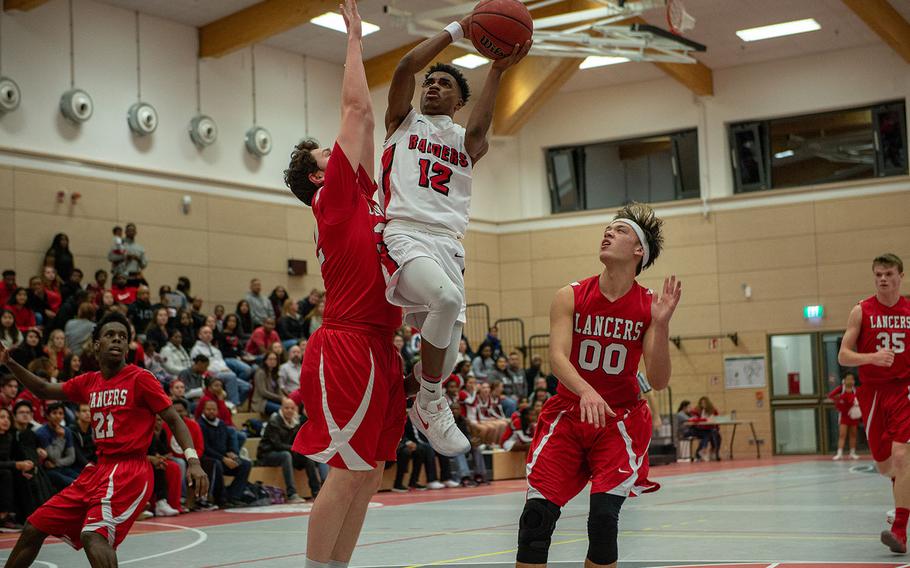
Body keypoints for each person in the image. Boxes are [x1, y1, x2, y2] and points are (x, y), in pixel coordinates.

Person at [283, 2, 407, 564]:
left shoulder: (361, 193)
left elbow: (370, 123)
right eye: (326, 155)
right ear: (317, 175)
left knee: (370, 473)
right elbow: (357, 108)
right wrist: (354, 39)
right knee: (346, 471)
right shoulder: (331, 200)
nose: (339, 154)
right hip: (347, 344)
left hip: (382, 345)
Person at [379, 8, 531, 459]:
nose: (433, 86)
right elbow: (405, 66)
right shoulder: (402, 122)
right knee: (444, 304)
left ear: (458, 100)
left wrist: (498, 70)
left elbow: (484, 126)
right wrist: (459, 30)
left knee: (444, 362)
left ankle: (410, 399)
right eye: (431, 82)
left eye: (444, 84)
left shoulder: (466, 140)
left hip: (449, 247)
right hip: (404, 234)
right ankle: (429, 403)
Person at [515, 203, 680, 568]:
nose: (608, 232)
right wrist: (586, 389)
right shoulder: (570, 295)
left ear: (639, 251)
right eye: (608, 228)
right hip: (567, 416)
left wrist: (663, 325)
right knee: (536, 521)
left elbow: (659, 380)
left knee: (603, 522)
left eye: (620, 231)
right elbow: (557, 357)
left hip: (618, 421)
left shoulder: (649, 307)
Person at [0, 311, 208, 567]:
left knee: (94, 536)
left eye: (123, 336)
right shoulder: (90, 381)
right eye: (110, 335)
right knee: (34, 526)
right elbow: (43, 389)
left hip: (130, 471)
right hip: (98, 470)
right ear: (97, 344)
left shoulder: (140, 378)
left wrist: (193, 461)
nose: (118, 340)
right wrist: (9, 362)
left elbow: (174, 419)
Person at [838, 253, 910, 554]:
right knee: (885, 466)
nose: (883, 278)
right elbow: (843, 355)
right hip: (873, 393)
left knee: (902, 455)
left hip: (904, 390)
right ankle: (903, 490)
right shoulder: (862, 310)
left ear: (900, 276)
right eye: (878, 274)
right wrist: (871, 358)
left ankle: (899, 531)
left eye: (889, 273)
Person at [257, 397, 319, 503]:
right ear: (281, 409)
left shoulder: (296, 422)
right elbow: (276, 445)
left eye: (292, 408)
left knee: (307, 456)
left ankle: (316, 492)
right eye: (286, 408)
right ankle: (292, 494)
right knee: (286, 455)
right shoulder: (274, 422)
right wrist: (295, 448)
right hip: (267, 454)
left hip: (288, 452)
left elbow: (298, 441)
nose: (289, 410)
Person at [197, 399, 251, 508]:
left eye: (214, 409)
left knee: (245, 464)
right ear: (203, 410)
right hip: (208, 460)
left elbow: (227, 441)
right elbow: (206, 448)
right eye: (208, 409)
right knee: (216, 465)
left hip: (223, 457)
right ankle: (221, 499)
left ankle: (234, 496)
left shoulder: (221, 423)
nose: (211, 412)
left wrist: (231, 453)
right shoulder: (200, 424)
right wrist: (223, 458)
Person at [191, 326, 250, 406]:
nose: (208, 335)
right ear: (199, 335)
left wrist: (226, 369)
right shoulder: (196, 349)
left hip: (223, 373)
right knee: (231, 376)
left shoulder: (216, 350)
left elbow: (222, 363)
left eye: (210, 333)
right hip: (209, 375)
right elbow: (199, 366)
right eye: (205, 333)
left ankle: (231, 406)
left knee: (247, 386)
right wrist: (220, 370)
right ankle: (233, 405)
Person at [35, 402, 80, 490]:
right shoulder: (42, 433)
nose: (58, 416)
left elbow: (71, 457)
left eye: (61, 413)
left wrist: (56, 464)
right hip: (48, 471)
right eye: (54, 413)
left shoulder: (67, 431)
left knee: (83, 480)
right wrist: (60, 438)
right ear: (47, 416)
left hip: (61, 467)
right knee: (73, 484)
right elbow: (54, 456)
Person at [827, 372, 861, 461]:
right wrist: (839, 398)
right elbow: (830, 396)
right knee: (842, 434)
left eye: (852, 379)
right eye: (848, 379)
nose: (850, 381)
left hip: (853, 415)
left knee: (853, 434)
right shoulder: (840, 389)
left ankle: (852, 452)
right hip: (844, 415)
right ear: (844, 380)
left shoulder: (856, 390)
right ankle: (839, 453)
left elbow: (862, 398)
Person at [252, 351, 283, 418]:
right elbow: (263, 392)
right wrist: (280, 398)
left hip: (272, 400)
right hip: (261, 402)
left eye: (275, 359)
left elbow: (279, 390)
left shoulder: (274, 374)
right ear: (265, 361)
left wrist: (284, 399)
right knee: (283, 410)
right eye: (270, 359)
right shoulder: (260, 372)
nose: (273, 361)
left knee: (291, 406)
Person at [69, 403, 96, 469]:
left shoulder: (93, 429)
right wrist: (89, 466)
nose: (88, 413)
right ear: (77, 414)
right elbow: (77, 454)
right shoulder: (71, 430)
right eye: (84, 411)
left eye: (90, 411)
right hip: (76, 465)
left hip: (92, 464)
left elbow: (96, 450)